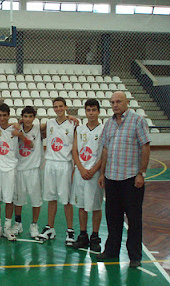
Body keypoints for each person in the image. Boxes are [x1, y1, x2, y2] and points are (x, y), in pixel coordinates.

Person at [97, 91, 150, 268]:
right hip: (112, 178)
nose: (115, 105)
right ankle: (111, 250)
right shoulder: (109, 124)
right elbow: (105, 149)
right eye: (112, 102)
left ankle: (134, 255)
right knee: (112, 218)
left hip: (131, 179)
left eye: (118, 101)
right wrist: (102, 173)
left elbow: (145, 147)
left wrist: (141, 172)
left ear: (127, 102)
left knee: (134, 219)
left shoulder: (137, 121)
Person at [38, 97, 76, 246]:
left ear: (66, 107)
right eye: (56, 107)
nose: (58, 109)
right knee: (51, 198)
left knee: (66, 200)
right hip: (50, 164)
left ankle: (70, 230)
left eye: (61, 106)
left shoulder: (73, 124)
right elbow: (36, 128)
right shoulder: (49, 124)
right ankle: (50, 228)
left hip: (64, 164)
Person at [0, 103, 24, 241]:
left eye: (4, 115)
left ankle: (7, 227)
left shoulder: (15, 128)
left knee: (8, 199)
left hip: (10, 169)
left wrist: (18, 128)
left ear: (8, 115)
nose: (2, 118)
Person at [70, 99, 104, 252]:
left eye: (94, 110)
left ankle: (95, 237)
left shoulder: (103, 129)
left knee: (96, 206)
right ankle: (83, 235)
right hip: (81, 172)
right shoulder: (80, 130)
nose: (91, 113)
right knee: (81, 205)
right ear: (85, 111)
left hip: (95, 174)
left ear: (98, 111)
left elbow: (104, 153)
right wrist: (81, 168)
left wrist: (95, 169)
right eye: (88, 110)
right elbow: (75, 151)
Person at [12, 106, 43, 239]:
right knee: (18, 200)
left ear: (34, 118)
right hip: (19, 168)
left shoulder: (38, 129)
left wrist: (21, 135)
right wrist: (16, 127)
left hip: (33, 170)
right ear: (22, 117)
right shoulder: (17, 128)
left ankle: (34, 225)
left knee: (36, 200)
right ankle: (18, 223)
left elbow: (30, 144)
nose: (28, 119)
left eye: (30, 116)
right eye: (25, 116)